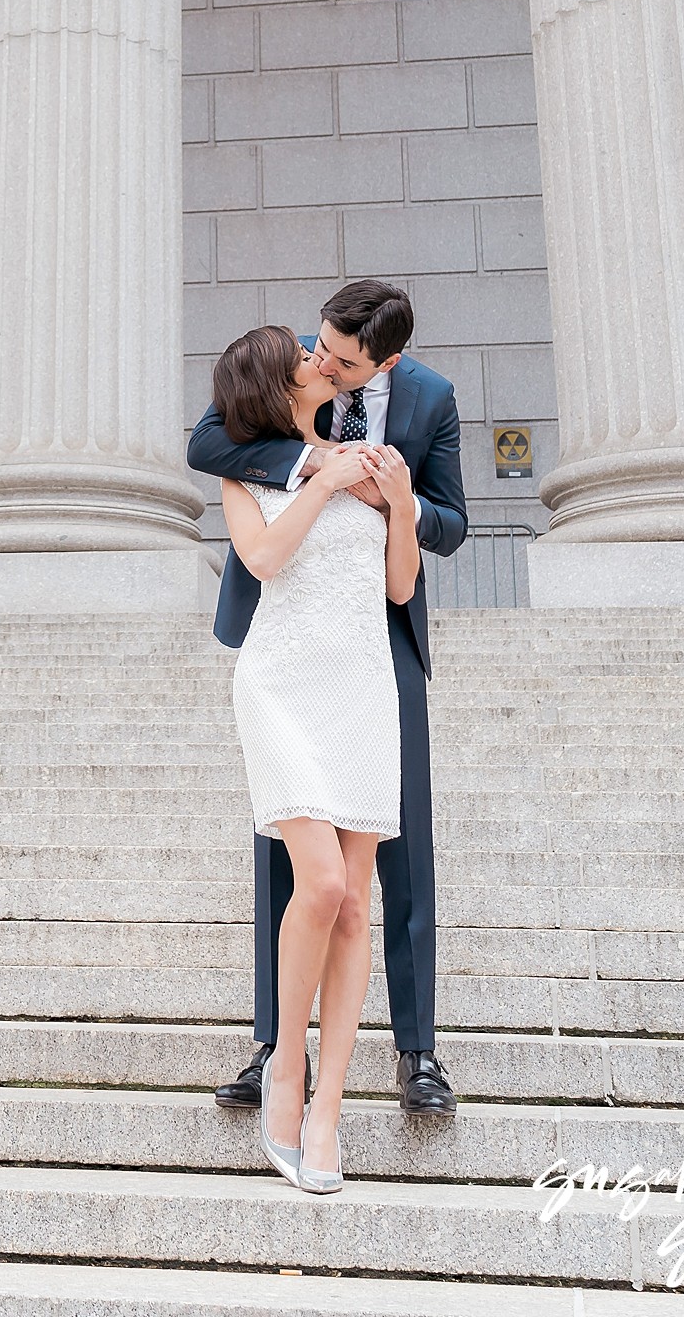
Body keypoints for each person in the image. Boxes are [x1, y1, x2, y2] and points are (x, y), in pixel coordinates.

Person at [189, 278, 467, 1121]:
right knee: (292, 849)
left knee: (398, 844)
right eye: (322, 349)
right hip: (291, 622)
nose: (326, 365)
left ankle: (416, 1051)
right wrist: (312, 465)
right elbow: (210, 445)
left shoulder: (429, 400)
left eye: (345, 362)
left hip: (381, 625)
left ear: (385, 361)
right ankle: (278, 1046)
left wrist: (396, 502)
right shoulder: (294, 377)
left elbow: (452, 522)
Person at [214, 321, 420, 1191]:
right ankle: (286, 1075)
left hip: (363, 686)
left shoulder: (363, 458)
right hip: (283, 684)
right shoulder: (248, 468)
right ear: (275, 383)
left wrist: (398, 503)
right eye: (303, 358)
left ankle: (330, 1106)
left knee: (354, 909)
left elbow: (400, 585)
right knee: (322, 883)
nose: (318, 359)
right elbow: (261, 557)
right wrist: (322, 479)